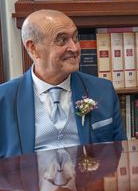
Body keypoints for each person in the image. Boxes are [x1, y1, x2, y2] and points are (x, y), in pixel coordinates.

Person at [0, 10, 126, 158]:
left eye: (75, 38)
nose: (74, 48)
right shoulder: (4, 98)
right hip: (29, 180)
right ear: (33, 48)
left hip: (88, 179)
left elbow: (119, 154)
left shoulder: (103, 90)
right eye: (62, 40)